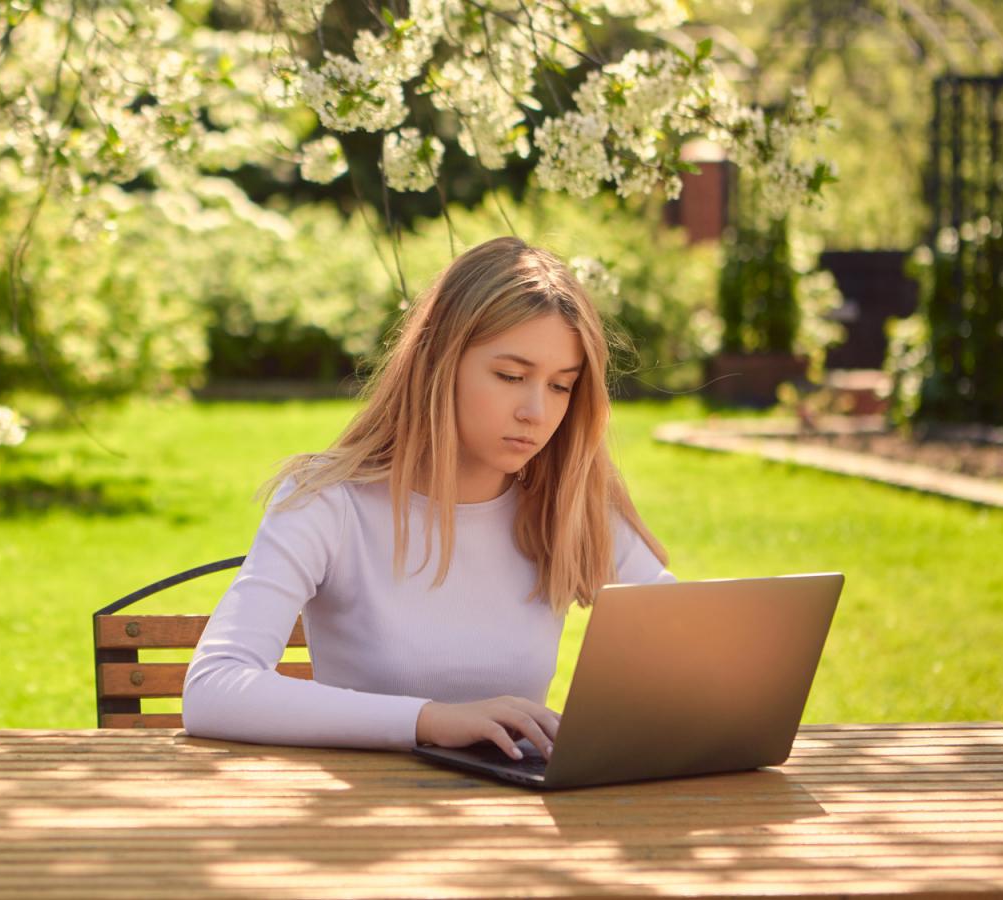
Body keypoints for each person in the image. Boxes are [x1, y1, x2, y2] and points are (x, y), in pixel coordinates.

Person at [181, 236, 673, 762]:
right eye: (511, 376)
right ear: (439, 364)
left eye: (560, 386)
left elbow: (694, 643)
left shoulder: (569, 502)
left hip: (516, 824)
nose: (537, 411)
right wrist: (429, 720)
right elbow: (214, 687)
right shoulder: (328, 502)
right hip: (367, 818)